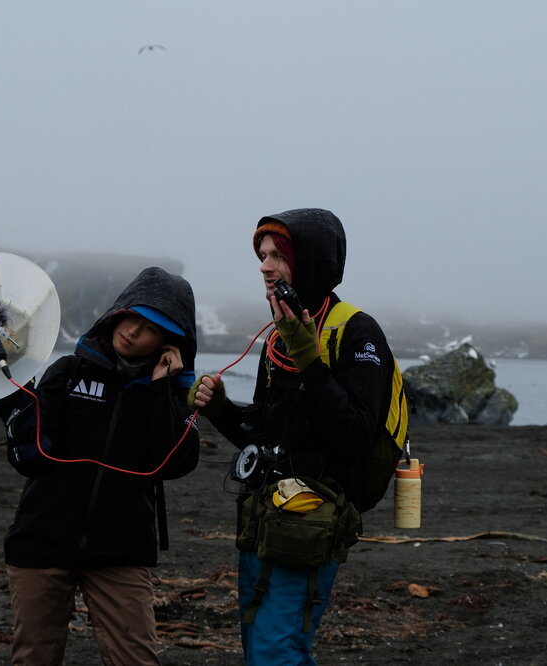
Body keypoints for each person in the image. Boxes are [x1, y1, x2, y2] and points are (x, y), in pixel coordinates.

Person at [189, 208, 399, 664]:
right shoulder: (277, 339)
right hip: (262, 520)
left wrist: (310, 359)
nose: (264, 266)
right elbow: (263, 437)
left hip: (310, 523)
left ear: (310, 260)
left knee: (275, 652)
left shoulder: (356, 331)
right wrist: (220, 408)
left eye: (277, 256)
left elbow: (356, 435)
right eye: (262, 255)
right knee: (262, 648)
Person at [0, 266, 200, 666]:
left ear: (169, 342)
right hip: (42, 542)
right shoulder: (68, 373)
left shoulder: (172, 395)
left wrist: (162, 390)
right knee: (34, 657)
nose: (134, 331)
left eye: (151, 328)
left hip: (120, 550)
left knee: (136, 660)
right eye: (131, 316)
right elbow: (29, 458)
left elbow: (176, 463)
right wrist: (12, 408)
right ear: (116, 312)